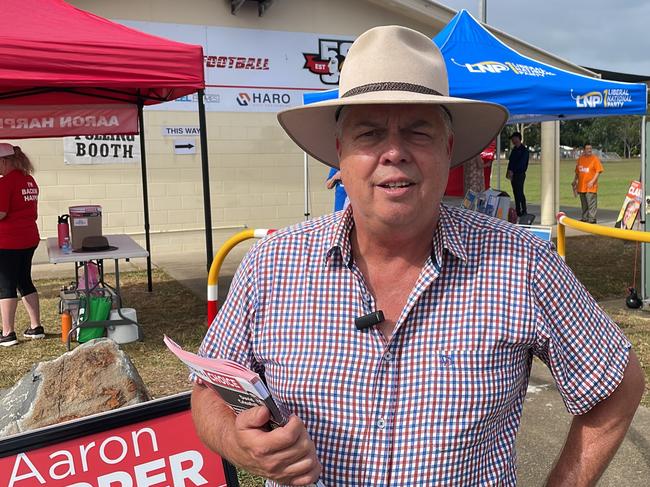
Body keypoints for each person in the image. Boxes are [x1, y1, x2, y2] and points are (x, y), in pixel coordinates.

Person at [191, 26, 644, 486]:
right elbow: (208, 390)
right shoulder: (272, 265)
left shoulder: (522, 262)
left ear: (447, 149)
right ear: (339, 153)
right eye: (369, 134)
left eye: (418, 132)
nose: (394, 153)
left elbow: (617, 386)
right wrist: (236, 442)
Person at [0, 144, 44, 347]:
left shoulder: (5, 183)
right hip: (29, 238)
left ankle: (7, 333)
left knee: (6, 285)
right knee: (24, 280)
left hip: (8, 241)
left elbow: (1, 213)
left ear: (4, 161)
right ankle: (36, 327)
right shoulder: (29, 180)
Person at [572, 143, 603, 223]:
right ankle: (585, 217)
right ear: (584, 150)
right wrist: (575, 180)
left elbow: (598, 171)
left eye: (590, 148)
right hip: (581, 186)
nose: (589, 150)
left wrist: (592, 181)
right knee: (584, 203)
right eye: (587, 148)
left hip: (591, 186)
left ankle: (592, 219)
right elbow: (577, 171)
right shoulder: (580, 159)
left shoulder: (595, 159)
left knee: (591, 203)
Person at [506, 131, 529, 217]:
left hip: (520, 174)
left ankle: (524, 210)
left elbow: (522, 164)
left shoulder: (524, 151)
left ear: (518, 138)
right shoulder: (514, 150)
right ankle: (518, 210)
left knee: (520, 192)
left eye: (513, 138)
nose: (512, 140)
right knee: (515, 192)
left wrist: (513, 170)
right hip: (513, 174)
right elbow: (511, 162)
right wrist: (508, 171)